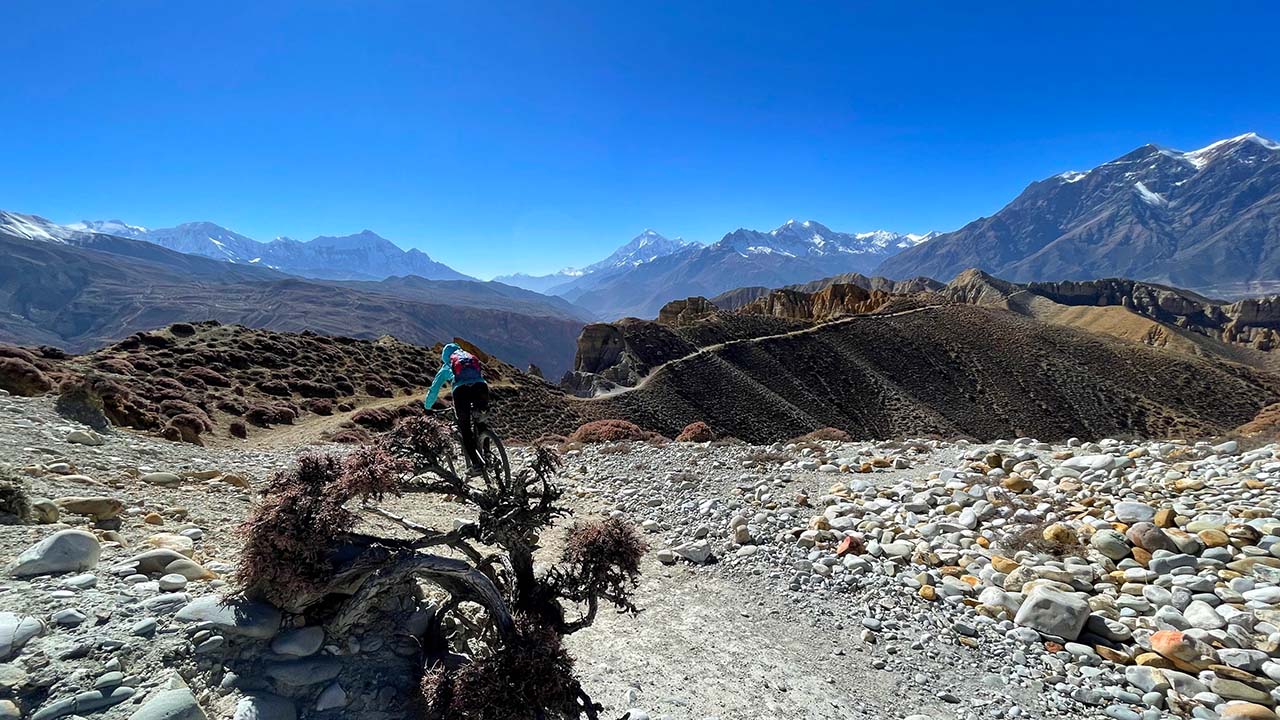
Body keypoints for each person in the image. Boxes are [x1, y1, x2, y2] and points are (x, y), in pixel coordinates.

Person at [423, 342, 490, 476]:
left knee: (465, 430)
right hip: (481, 387)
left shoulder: (447, 366)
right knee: (481, 423)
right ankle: (488, 457)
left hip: (462, 391)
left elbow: (434, 390)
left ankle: (476, 465)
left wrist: (427, 408)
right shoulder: (469, 358)